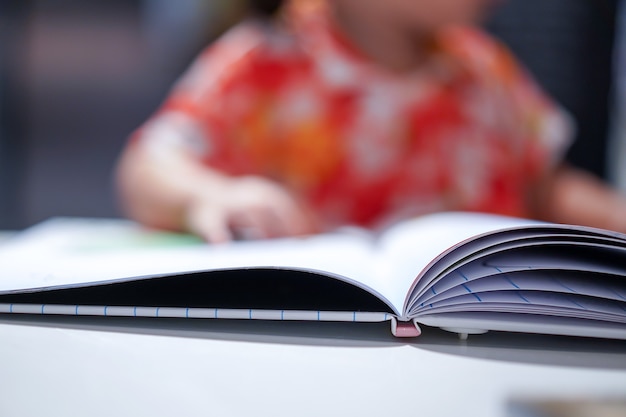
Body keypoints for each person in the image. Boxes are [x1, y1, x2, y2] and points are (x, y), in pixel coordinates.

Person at [116, 0, 626, 243]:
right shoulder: (268, 62)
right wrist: (208, 197)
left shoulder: (484, 68)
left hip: (482, 338)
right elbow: (149, 165)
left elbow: (544, 185)